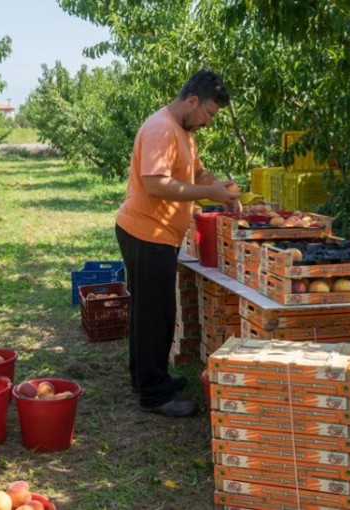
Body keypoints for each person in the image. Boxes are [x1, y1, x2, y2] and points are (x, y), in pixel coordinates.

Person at [114, 69, 241, 417]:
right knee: (156, 314)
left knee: (148, 310)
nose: (208, 122)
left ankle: (146, 377)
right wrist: (207, 194)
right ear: (192, 101)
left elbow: (195, 173)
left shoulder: (184, 131)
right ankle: (155, 394)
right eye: (209, 114)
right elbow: (155, 184)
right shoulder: (161, 129)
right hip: (146, 232)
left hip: (155, 233)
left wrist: (219, 188)